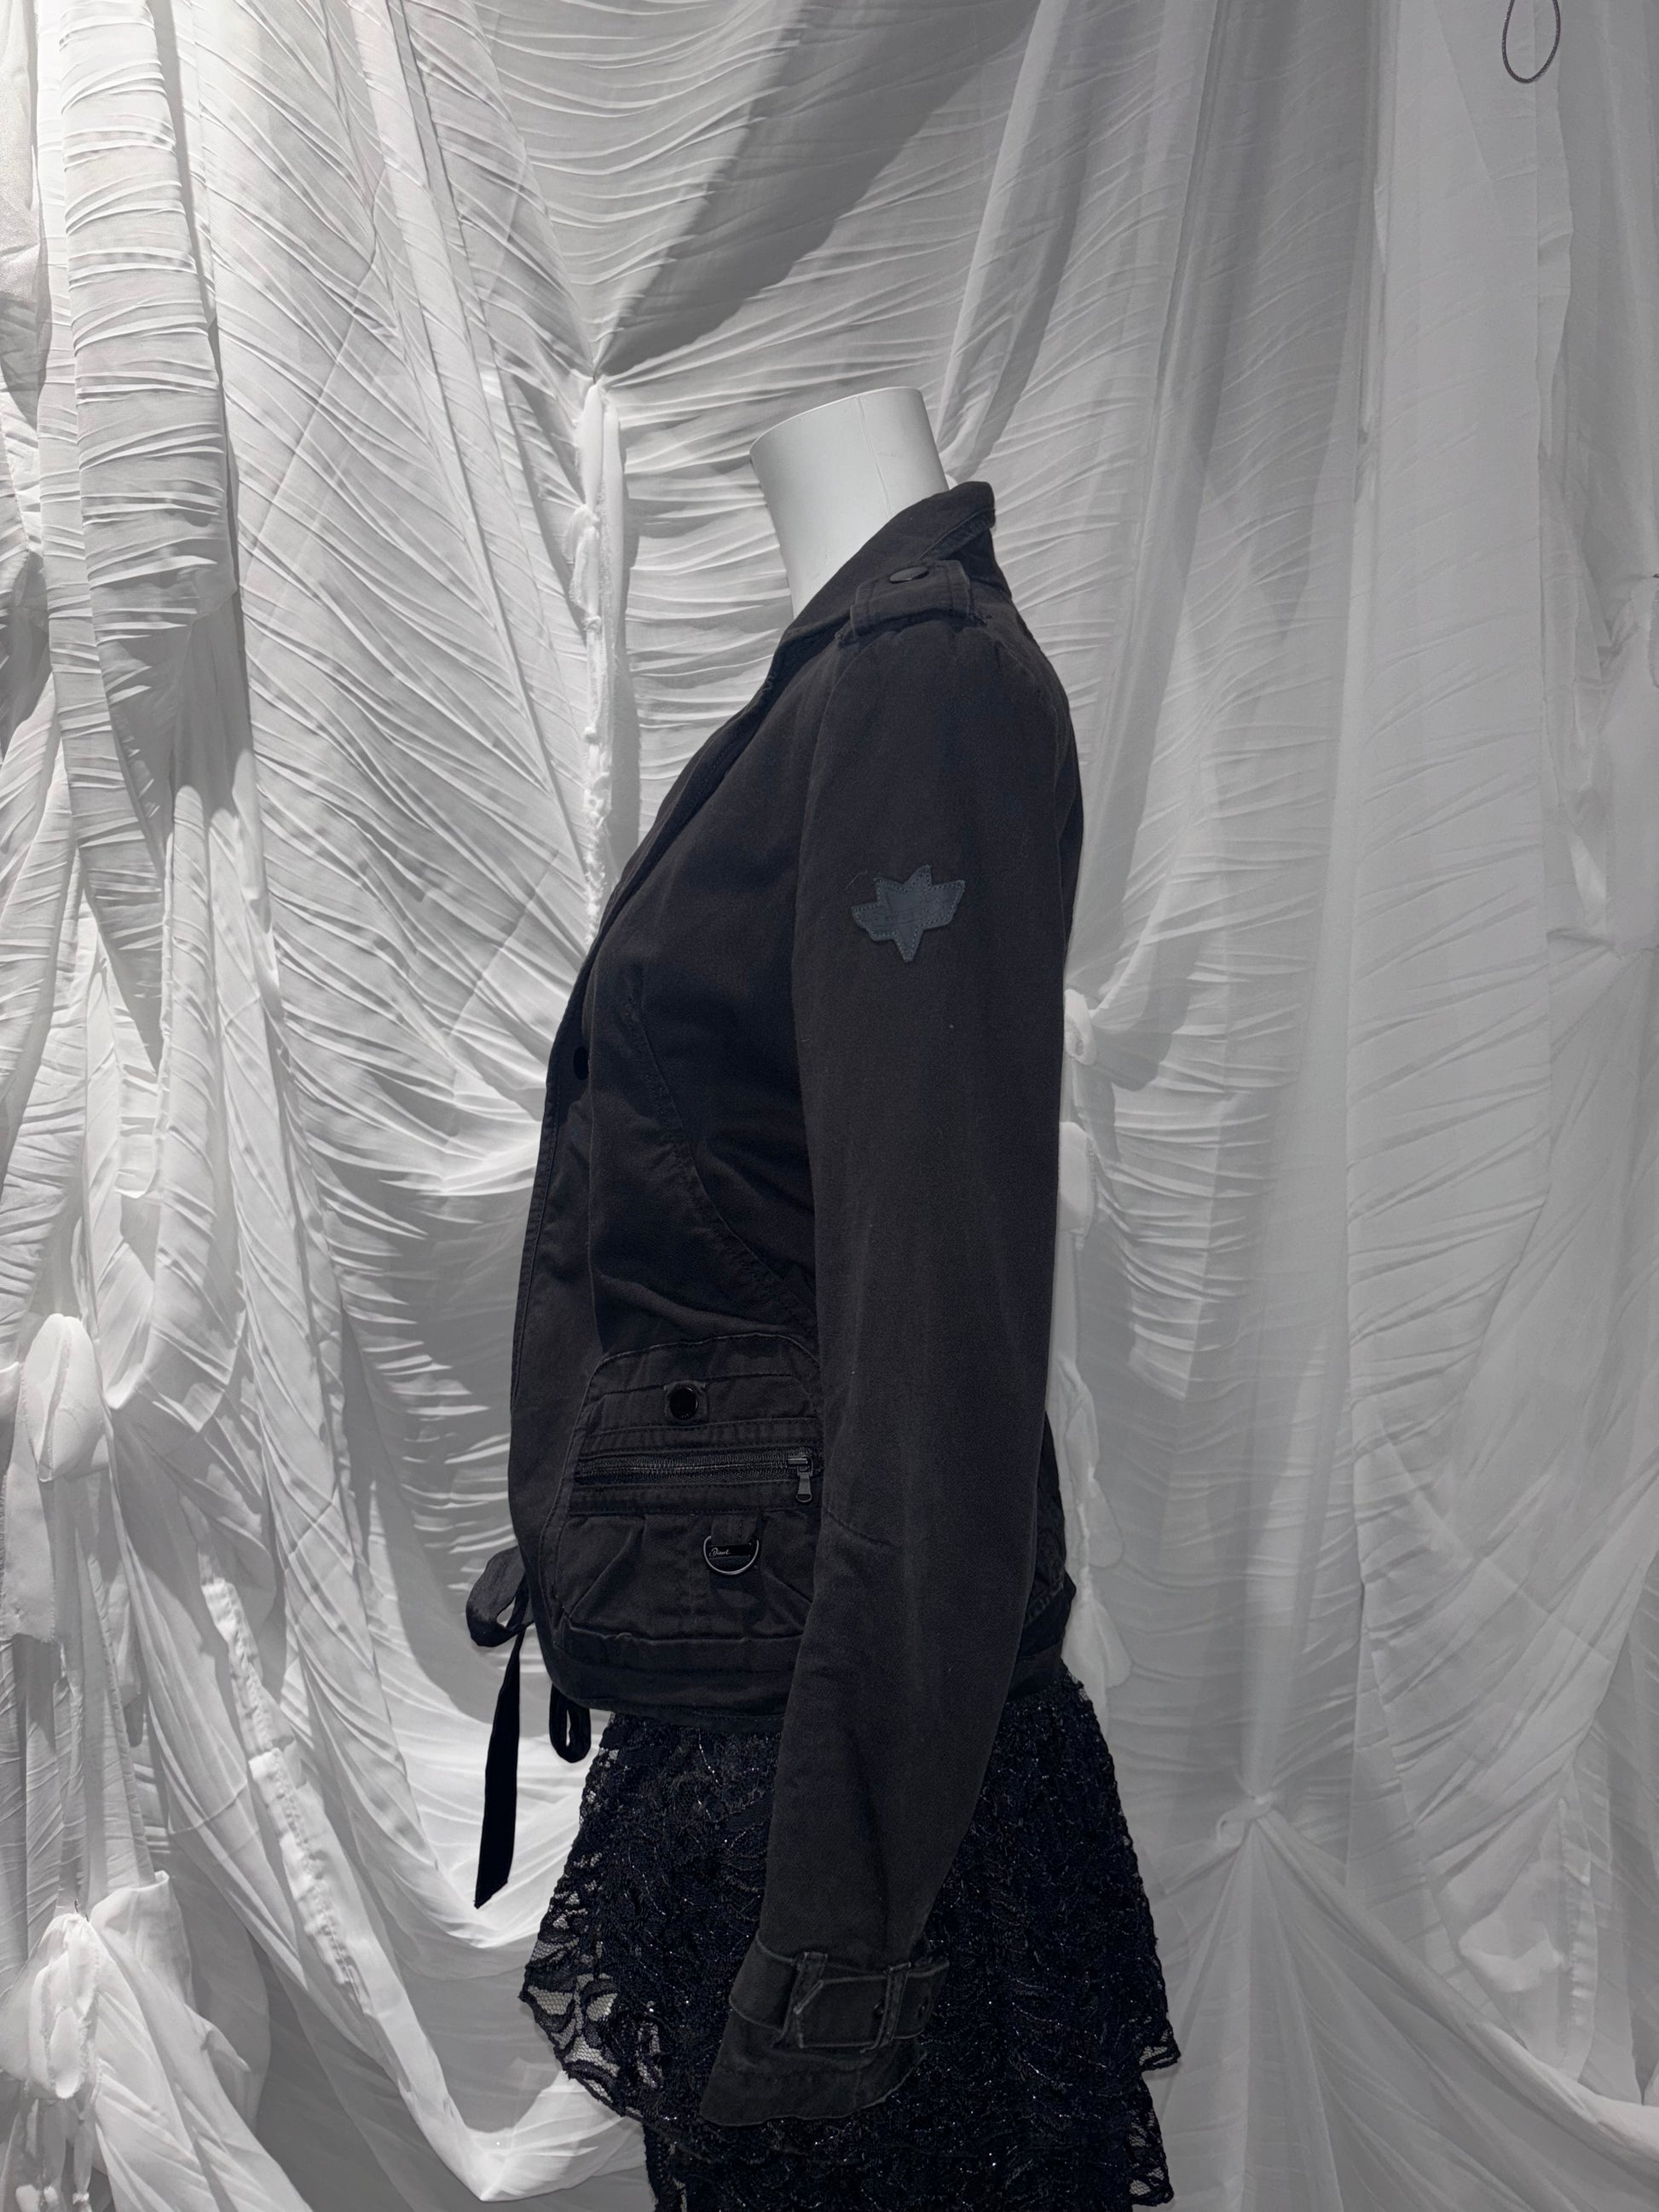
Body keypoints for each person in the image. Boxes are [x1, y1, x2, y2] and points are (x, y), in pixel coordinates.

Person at [469, 390, 1178, 2209]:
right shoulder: (845, 691)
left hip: (826, 1760)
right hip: (761, 1713)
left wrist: (843, 1916)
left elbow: (933, 1317)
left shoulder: (912, 691)